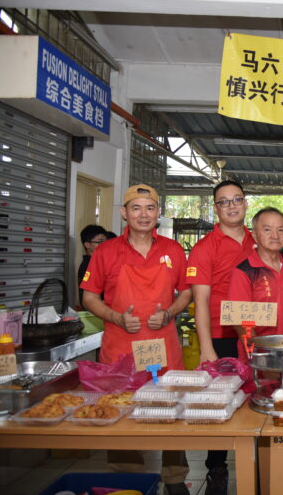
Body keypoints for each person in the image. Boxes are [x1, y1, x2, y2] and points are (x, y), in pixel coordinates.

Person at [80, 184, 192, 495]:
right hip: (120, 351)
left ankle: (175, 478)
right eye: (136, 208)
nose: (143, 214)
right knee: (120, 414)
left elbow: (186, 292)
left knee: (171, 411)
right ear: (124, 213)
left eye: (150, 208)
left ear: (158, 213)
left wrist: (169, 313)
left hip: (164, 347)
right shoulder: (105, 251)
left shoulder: (173, 250)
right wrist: (116, 317)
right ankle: (126, 481)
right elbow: (89, 297)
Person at [186, 180, 255, 495]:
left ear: (245, 203)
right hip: (221, 336)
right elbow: (199, 301)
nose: (231, 206)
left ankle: (260, 465)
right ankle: (216, 470)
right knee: (219, 406)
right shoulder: (205, 248)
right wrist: (207, 348)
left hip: (255, 336)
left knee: (256, 401)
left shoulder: (258, 240)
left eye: (236, 199)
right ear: (216, 208)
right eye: (224, 201)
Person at [227, 207, 283, 342]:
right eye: (267, 230)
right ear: (254, 235)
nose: (275, 236)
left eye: (280, 230)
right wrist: (258, 350)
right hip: (260, 352)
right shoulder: (243, 271)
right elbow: (239, 321)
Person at [77, 224, 107, 306]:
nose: (105, 245)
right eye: (100, 242)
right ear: (87, 244)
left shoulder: (99, 262)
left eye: (106, 241)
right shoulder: (89, 266)